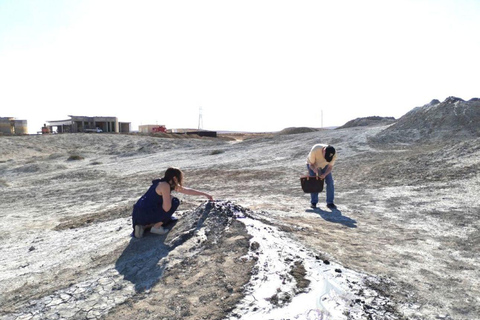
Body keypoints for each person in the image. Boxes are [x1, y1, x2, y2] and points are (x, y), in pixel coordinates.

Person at [131, 167, 213, 238]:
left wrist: (205, 194)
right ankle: (156, 227)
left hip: (137, 213)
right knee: (174, 201)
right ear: (174, 178)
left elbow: (187, 190)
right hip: (147, 213)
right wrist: (170, 198)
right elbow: (167, 209)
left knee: (165, 212)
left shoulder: (160, 183)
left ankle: (144, 226)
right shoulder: (165, 186)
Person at [306, 144, 337, 209]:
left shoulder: (334, 154)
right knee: (314, 182)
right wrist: (315, 170)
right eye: (326, 157)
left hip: (325, 166)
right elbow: (311, 164)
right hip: (313, 164)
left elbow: (330, 167)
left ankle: (330, 203)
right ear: (324, 150)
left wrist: (325, 174)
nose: (326, 158)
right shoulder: (315, 149)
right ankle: (313, 202)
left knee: (330, 182)